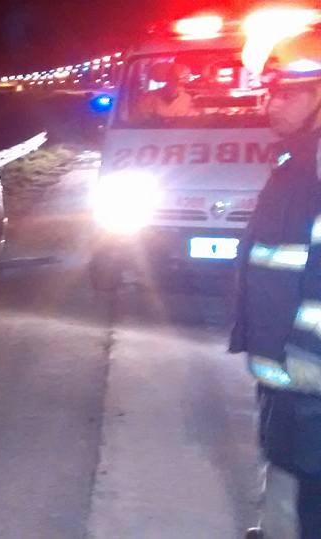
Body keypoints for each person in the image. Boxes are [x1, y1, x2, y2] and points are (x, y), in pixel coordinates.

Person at [231, 29, 321, 539]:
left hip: (310, 369)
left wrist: (307, 353)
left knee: (313, 483)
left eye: (288, 94)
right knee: (288, 462)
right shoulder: (297, 160)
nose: (272, 105)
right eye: (270, 93)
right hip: (289, 368)